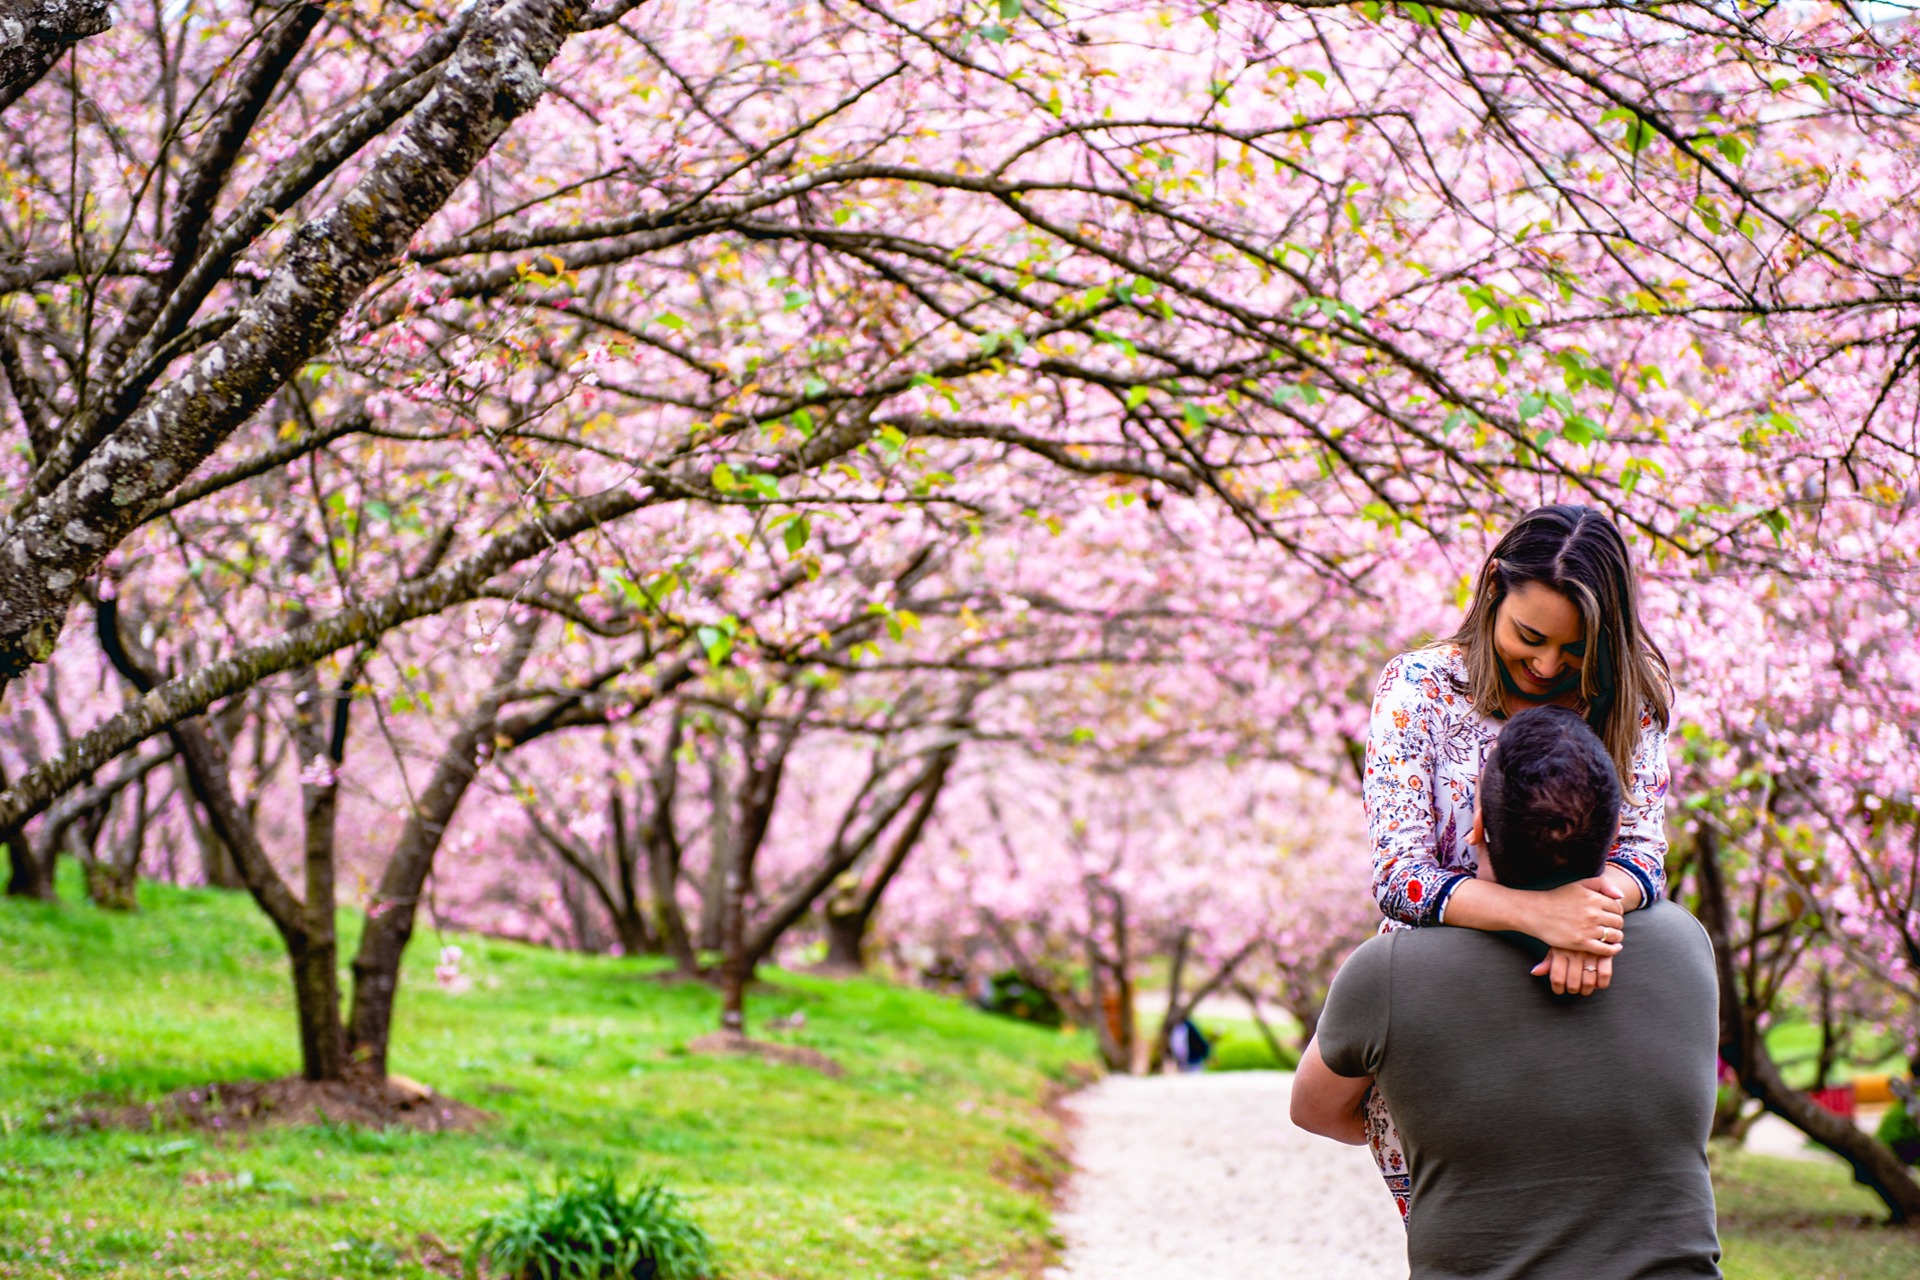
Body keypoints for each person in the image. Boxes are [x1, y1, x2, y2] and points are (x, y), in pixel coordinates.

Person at [1293, 706, 1722, 1279]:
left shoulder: (1388, 972)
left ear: (1478, 828)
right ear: (1617, 829)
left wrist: (1449, 1141)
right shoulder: (1685, 945)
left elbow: (1314, 1110)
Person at [1360, 503, 1674, 1215]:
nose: (1546, 665)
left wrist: (1586, 927)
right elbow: (1400, 877)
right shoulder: (1420, 689)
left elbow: (1645, 860)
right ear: (1495, 585)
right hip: (1445, 1020)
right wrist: (1548, 918)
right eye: (1530, 637)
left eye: (1574, 649)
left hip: (1587, 1016)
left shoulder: (1630, 695)